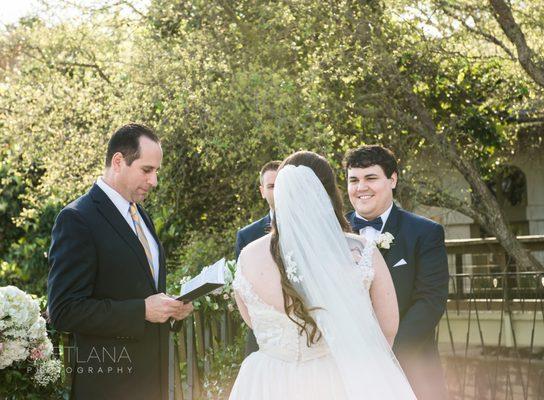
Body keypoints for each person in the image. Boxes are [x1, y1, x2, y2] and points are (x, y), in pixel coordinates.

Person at [229, 151, 416, 399]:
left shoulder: (248, 255)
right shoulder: (360, 250)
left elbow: (253, 321)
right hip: (337, 379)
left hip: (267, 381)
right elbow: (387, 329)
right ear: (329, 194)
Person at [47, 124, 193, 400]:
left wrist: (171, 310)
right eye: (147, 170)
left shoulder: (142, 216)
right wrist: (142, 311)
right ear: (118, 161)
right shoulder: (77, 219)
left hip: (154, 384)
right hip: (109, 386)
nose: (154, 181)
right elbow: (64, 310)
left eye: (157, 172)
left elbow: (140, 289)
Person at [344, 145, 449, 400]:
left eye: (371, 178)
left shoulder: (425, 233)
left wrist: (386, 355)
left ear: (392, 179)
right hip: (346, 371)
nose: (361, 187)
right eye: (354, 180)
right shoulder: (332, 232)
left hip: (410, 369)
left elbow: (430, 302)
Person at [235, 160, 280, 355]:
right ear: (262, 191)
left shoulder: (310, 228)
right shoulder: (247, 235)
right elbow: (243, 289)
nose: (276, 190)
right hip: (263, 334)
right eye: (271, 186)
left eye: (281, 184)